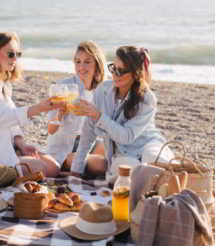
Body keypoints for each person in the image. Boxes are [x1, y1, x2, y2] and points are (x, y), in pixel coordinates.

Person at [0, 32, 64, 178]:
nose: (15, 59)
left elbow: (12, 123)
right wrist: (39, 108)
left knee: (54, 167)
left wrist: (21, 144)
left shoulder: (3, 83)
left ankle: (15, 165)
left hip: (6, 148)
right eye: (10, 54)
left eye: (18, 54)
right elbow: (2, 116)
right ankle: (4, 171)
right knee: (41, 168)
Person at [69, 45, 174, 183]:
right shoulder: (102, 90)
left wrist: (99, 116)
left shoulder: (147, 99)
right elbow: (88, 133)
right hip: (121, 154)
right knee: (130, 172)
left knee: (157, 161)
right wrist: (76, 170)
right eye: (113, 68)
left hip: (148, 144)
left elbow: (127, 136)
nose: (115, 75)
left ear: (135, 74)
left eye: (121, 71)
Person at [46, 41, 106, 173]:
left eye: (87, 62)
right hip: (65, 151)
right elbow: (50, 129)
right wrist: (60, 113)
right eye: (78, 61)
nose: (81, 67)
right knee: (103, 165)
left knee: (114, 155)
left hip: (89, 143)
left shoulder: (101, 90)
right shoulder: (64, 86)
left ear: (97, 64)